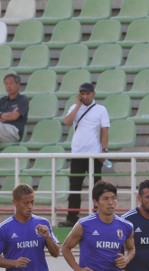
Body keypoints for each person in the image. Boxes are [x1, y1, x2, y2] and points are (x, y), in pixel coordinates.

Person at [58, 82, 110, 228]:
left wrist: (104, 150)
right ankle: (72, 216)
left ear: (93, 93)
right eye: (83, 93)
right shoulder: (75, 108)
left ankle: (98, 214)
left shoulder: (101, 109)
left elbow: (105, 131)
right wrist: (78, 105)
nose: (85, 96)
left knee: (97, 186)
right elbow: (67, 121)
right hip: (77, 153)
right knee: (75, 186)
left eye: (87, 93)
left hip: (94, 153)